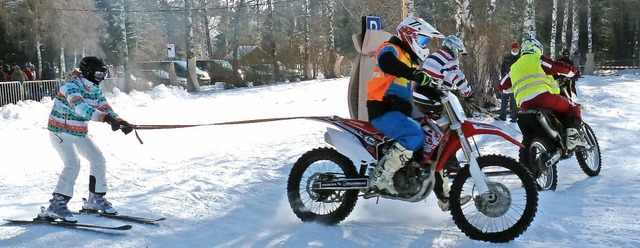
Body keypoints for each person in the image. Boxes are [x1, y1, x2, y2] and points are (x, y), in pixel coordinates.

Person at [42, 56, 134, 223]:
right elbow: (80, 108)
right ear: (88, 72)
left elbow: (104, 106)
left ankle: (94, 199)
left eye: (104, 74)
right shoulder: (71, 86)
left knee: (98, 159)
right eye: (99, 73)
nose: (101, 78)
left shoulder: (95, 88)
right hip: (60, 132)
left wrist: (119, 121)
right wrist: (105, 119)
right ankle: (57, 204)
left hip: (79, 132)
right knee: (73, 164)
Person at [366, 16, 442, 197]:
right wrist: (414, 74)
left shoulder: (410, 61)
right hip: (382, 109)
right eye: (422, 40)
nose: (424, 45)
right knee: (415, 133)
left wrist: (440, 92)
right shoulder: (389, 49)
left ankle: (444, 195)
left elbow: (417, 83)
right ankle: (382, 179)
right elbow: (388, 63)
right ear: (409, 36)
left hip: (398, 112)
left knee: (433, 138)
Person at [498, 38, 587, 150]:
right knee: (574, 107)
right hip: (543, 98)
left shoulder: (514, 67)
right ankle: (572, 138)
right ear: (537, 48)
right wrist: (573, 72)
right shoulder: (537, 58)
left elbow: (502, 87)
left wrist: (516, 86)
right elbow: (556, 67)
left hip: (524, 104)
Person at [420, 34, 473, 211]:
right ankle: (447, 161)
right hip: (429, 101)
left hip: (420, 99)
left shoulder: (435, 56)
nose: (458, 56)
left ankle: (447, 160)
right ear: (454, 48)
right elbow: (458, 78)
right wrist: (468, 93)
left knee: (438, 137)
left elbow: (441, 80)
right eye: (459, 52)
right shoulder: (447, 58)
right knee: (440, 140)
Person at [498, 42, 520, 122]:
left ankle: (514, 116)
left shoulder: (520, 58)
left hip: (516, 81)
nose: (514, 50)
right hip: (506, 80)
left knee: (514, 100)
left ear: (518, 49)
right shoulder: (507, 57)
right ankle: (502, 115)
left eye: (516, 49)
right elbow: (502, 67)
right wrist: (503, 77)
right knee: (504, 98)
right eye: (513, 49)